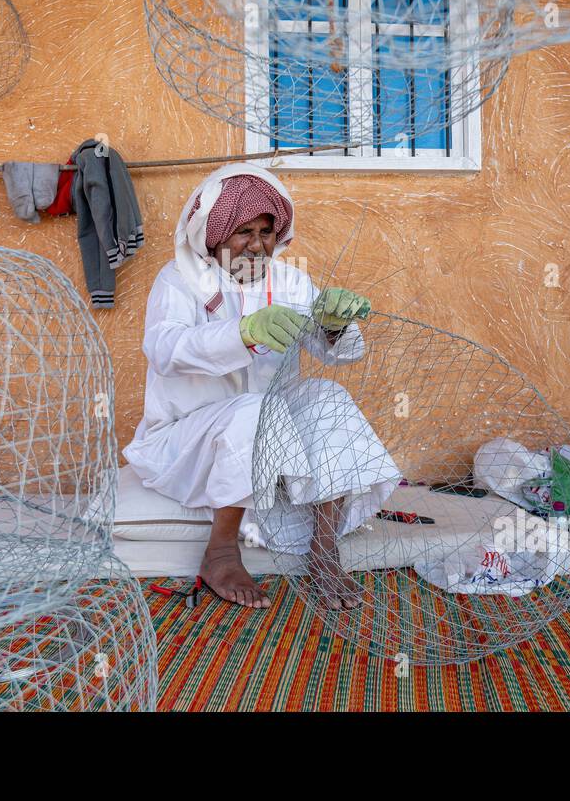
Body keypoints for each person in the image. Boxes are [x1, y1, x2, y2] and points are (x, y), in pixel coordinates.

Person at [123, 163, 399, 609]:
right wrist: (244, 331)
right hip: (186, 440)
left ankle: (325, 553)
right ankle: (221, 552)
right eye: (242, 232)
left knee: (330, 397)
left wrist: (332, 326)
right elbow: (165, 349)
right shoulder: (179, 280)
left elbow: (341, 353)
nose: (256, 245)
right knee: (254, 409)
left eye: (266, 231)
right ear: (214, 236)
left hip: (270, 438)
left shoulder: (289, 280)